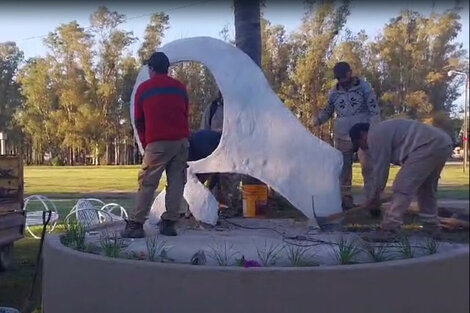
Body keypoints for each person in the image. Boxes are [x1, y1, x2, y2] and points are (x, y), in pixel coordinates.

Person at [349, 119, 453, 241]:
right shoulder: (383, 130)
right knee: (426, 189)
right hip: (442, 142)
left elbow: (380, 169)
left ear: (362, 134)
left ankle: (389, 229)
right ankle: (431, 229)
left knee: (402, 186)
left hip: (427, 145)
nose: (363, 148)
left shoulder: (374, 136)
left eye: (359, 144)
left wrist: (375, 196)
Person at [122, 52, 190, 238]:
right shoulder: (180, 88)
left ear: (152, 68)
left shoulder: (144, 89)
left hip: (157, 143)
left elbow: (139, 120)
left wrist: (146, 144)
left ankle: (136, 224)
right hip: (181, 142)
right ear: (166, 68)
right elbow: (185, 113)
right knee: (176, 182)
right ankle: (169, 223)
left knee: (147, 183)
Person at [313, 62, 380, 211]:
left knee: (368, 168)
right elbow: (327, 111)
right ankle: (346, 202)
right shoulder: (333, 93)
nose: (342, 81)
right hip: (342, 135)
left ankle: (372, 202)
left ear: (350, 72)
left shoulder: (364, 88)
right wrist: (317, 120)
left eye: (344, 76)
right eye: (339, 78)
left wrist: (373, 130)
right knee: (343, 171)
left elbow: (374, 110)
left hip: (363, 134)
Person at [200, 91, 242, 216]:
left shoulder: (238, 108)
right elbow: (204, 128)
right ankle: (208, 206)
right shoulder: (212, 108)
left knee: (230, 179)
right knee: (210, 179)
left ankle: (230, 207)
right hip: (213, 148)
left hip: (232, 149)